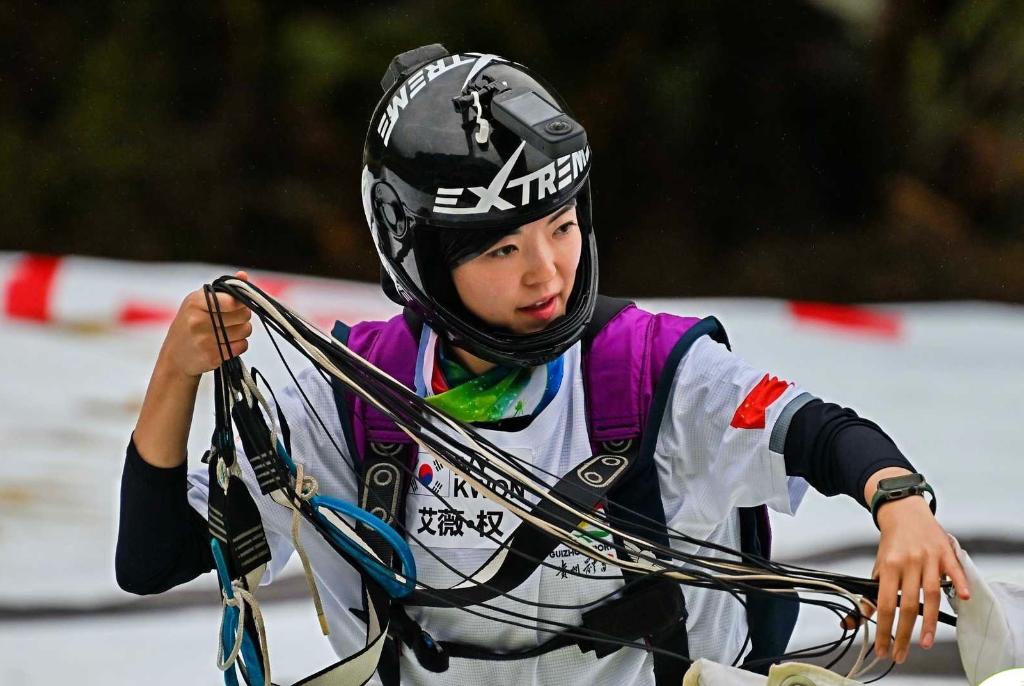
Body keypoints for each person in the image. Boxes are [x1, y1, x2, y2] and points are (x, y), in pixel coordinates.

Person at [116, 46, 970, 686]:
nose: (547, 274)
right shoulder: (347, 402)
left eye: (561, 228)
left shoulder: (650, 374)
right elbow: (153, 561)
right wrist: (175, 375)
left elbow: (821, 434)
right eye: (502, 249)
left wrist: (899, 502)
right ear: (419, 257)